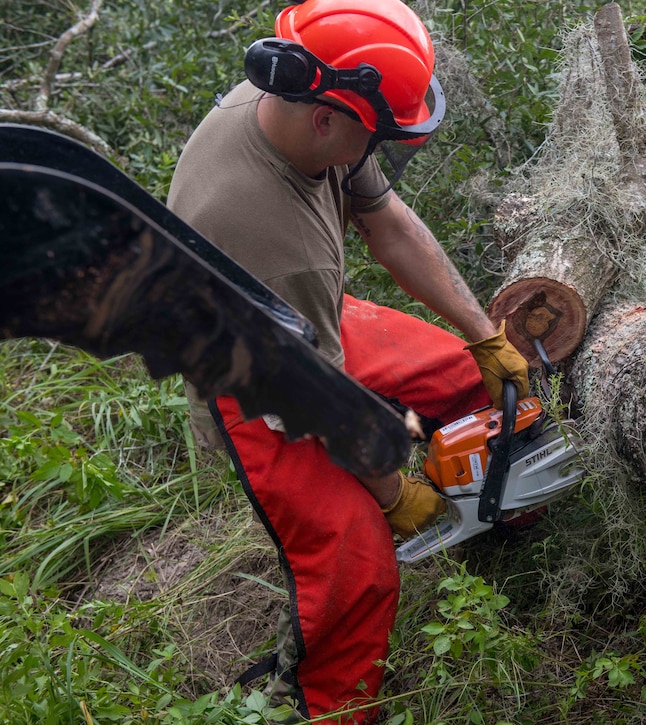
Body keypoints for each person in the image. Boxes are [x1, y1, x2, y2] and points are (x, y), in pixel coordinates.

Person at [166, 0, 530, 721]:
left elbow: (389, 225)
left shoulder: (310, 106)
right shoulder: (265, 232)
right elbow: (316, 397)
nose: (380, 148)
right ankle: (330, 706)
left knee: (458, 376)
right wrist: (394, 491)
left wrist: (484, 334)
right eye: (377, 133)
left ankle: (504, 531)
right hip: (259, 381)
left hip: (308, 324)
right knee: (358, 559)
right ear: (328, 118)